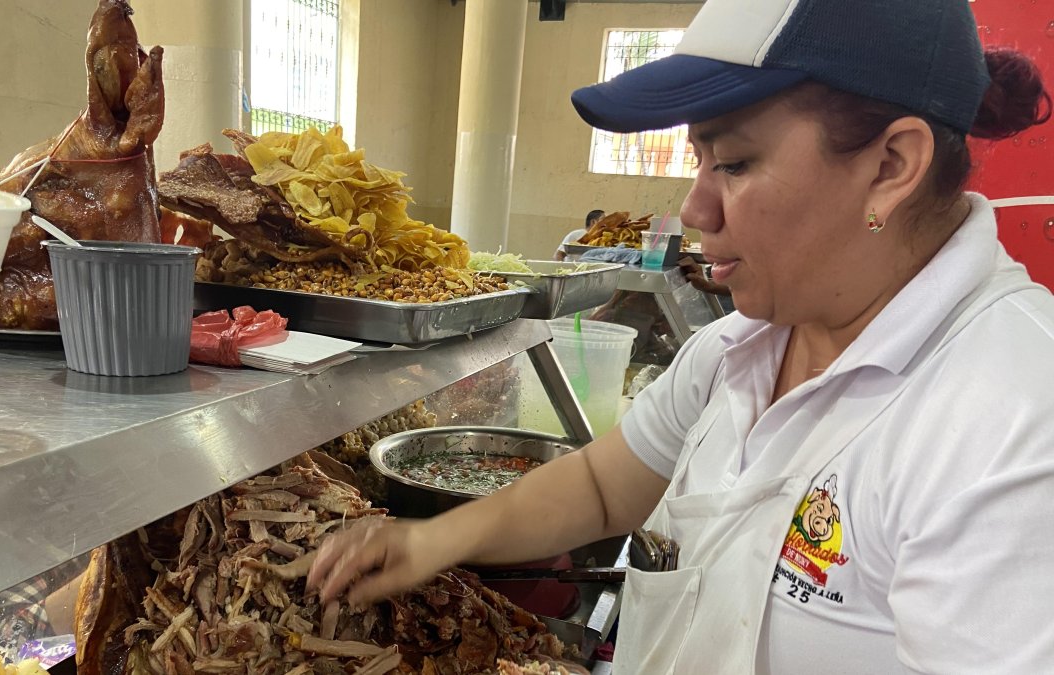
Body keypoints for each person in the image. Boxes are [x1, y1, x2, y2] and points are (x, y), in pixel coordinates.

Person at [308, 0, 1054, 673]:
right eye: (699, 159)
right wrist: (432, 541)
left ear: (892, 165)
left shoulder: (1009, 422)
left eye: (734, 162)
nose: (694, 208)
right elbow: (602, 486)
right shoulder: (738, 348)